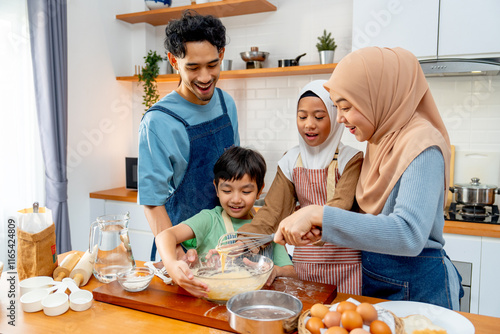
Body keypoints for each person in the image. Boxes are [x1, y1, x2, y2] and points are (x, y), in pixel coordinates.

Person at [274, 47, 463, 310]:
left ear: (377, 95)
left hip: (418, 287)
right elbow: (374, 222)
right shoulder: (381, 139)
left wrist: (320, 215)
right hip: (377, 279)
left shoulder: (422, 145)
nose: (339, 118)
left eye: (346, 107)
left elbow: (408, 234)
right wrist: (322, 229)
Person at [237, 80, 363, 294]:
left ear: (335, 118)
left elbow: (340, 205)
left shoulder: (352, 159)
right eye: (302, 116)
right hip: (305, 264)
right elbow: (273, 211)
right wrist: (242, 242)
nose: (309, 124)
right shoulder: (290, 159)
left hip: (346, 265)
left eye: (319, 117)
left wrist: (308, 225)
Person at [138, 10, 239, 261]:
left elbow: (236, 174)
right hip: (181, 248)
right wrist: (176, 257)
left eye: (213, 65)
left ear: (222, 54)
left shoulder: (227, 104)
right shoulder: (158, 121)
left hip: (224, 246)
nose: (205, 78)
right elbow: (152, 202)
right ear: (174, 61)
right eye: (193, 67)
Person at [157, 146, 297, 298]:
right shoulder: (209, 219)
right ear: (216, 189)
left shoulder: (267, 227)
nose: (236, 199)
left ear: (260, 190)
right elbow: (164, 236)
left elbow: (292, 273)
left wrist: (275, 271)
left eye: (246, 192)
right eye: (227, 191)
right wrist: (171, 264)